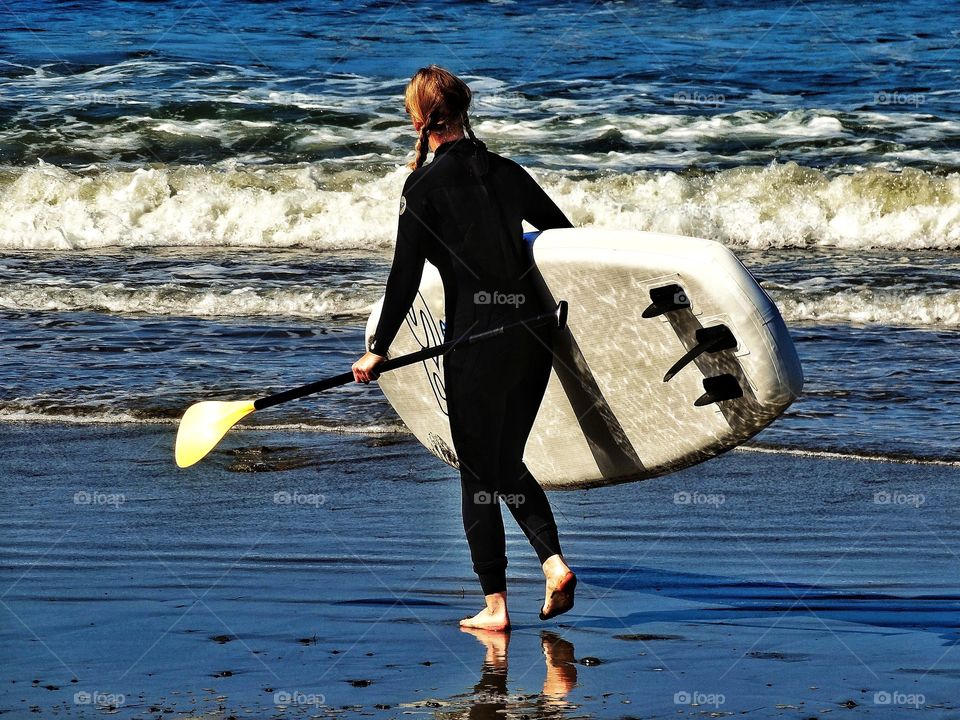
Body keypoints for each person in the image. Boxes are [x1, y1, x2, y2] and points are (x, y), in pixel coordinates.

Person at [352, 65, 576, 631]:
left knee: (478, 470)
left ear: (420, 118)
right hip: (532, 333)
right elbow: (566, 240)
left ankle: (497, 605)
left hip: (475, 338)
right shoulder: (506, 171)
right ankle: (551, 565)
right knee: (502, 460)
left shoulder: (421, 188)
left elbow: (403, 276)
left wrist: (378, 349)